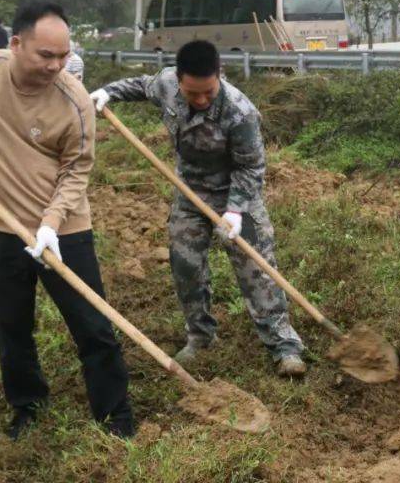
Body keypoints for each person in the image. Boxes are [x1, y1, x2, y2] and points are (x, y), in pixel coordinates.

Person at [0, 2, 135, 440]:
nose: (56, 66)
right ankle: (27, 407)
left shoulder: (73, 100)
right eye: (45, 55)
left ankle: (115, 415)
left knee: (93, 326)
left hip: (63, 232)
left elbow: (77, 169)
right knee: (11, 326)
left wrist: (51, 224)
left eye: (62, 56)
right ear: (16, 44)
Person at [90, 40, 307, 376]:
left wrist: (234, 211)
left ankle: (284, 346)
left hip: (236, 194)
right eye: (194, 94)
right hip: (190, 193)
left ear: (218, 76)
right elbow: (140, 85)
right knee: (185, 263)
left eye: (208, 92)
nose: (202, 100)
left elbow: (251, 168)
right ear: (179, 81)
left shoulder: (239, 111)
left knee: (257, 267)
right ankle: (201, 336)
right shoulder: (166, 85)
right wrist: (108, 92)